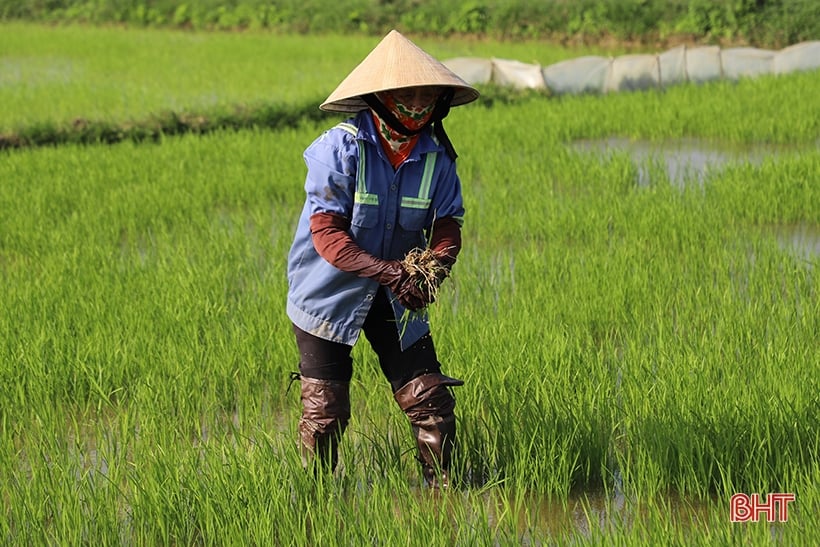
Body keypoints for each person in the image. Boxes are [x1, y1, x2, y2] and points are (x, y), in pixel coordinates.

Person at [286, 29, 479, 488]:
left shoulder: (438, 158)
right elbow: (327, 235)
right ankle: (313, 502)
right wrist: (392, 271)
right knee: (326, 410)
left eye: (427, 95)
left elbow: (448, 223)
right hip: (328, 296)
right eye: (406, 93)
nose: (418, 103)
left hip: (398, 296)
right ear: (381, 97)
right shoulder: (341, 148)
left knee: (430, 400)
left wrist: (435, 267)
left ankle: (441, 496)